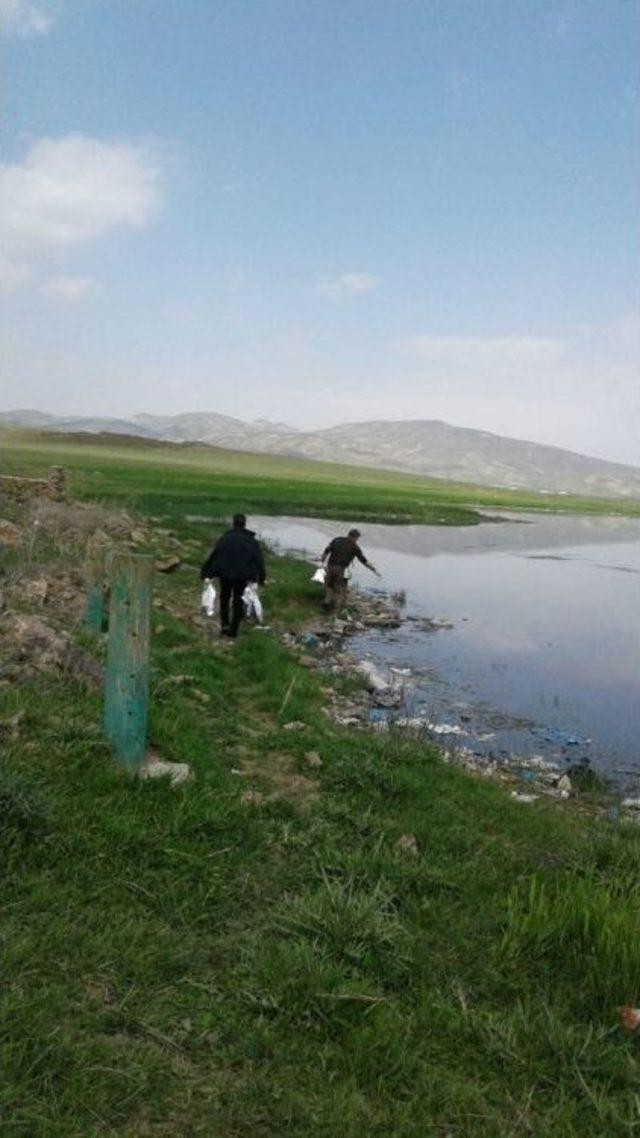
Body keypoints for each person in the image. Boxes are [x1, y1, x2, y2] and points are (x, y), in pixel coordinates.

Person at [200, 514, 266, 638]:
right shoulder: (251, 541)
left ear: (233, 523)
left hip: (225, 574)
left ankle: (225, 625)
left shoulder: (225, 538)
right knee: (238, 601)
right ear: (244, 524)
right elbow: (259, 560)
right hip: (242, 576)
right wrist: (261, 578)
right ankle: (234, 629)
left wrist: (205, 572)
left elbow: (214, 555)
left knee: (224, 598)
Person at [320, 528, 379, 612]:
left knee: (329, 586)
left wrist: (323, 558)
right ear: (355, 537)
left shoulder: (337, 539)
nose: (357, 540)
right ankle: (337, 611)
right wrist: (373, 569)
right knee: (341, 590)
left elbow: (327, 549)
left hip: (330, 567)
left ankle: (326, 602)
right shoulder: (355, 547)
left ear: (348, 534)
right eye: (357, 539)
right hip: (341, 570)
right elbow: (363, 560)